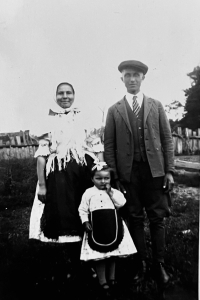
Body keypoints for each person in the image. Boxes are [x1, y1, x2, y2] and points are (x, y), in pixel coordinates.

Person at [104, 60, 175, 287]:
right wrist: (116, 177)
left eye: (136, 75)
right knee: (134, 218)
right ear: (121, 79)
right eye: (127, 75)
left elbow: (167, 139)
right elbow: (109, 145)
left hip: (154, 172)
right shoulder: (114, 110)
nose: (132, 79)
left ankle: (159, 264)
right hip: (129, 175)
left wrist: (169, 171)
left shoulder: (156, 105)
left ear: (143, 78)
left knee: (157, 218)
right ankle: (141, 264)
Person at [29, 82, 102, 282]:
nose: (65, 96)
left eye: (68, 93)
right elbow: (42, 156)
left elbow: (96, 148)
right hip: (59, 176)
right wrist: (42, 185)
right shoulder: (48, 120)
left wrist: (102, 171)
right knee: (67, 219)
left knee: (89, 215)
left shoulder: (84, 118)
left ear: (74, 95)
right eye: (61, 93)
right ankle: (75, 264)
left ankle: (92, 262)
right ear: (55, 96)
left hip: (83, 173)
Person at [78, 162, 136, 297]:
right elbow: (82, 209)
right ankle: (102, 281)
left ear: (110, 179)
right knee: (100, 256)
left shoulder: (114, 192)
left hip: (112, 226)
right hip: (97, 228)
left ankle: (112, 278)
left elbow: (122, 203)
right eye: (98, 178)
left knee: (112, 254)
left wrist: (111, 193)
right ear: (92, 179)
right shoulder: (88, 193)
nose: (103, 181)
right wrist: (85, 221)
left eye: (106, 178)